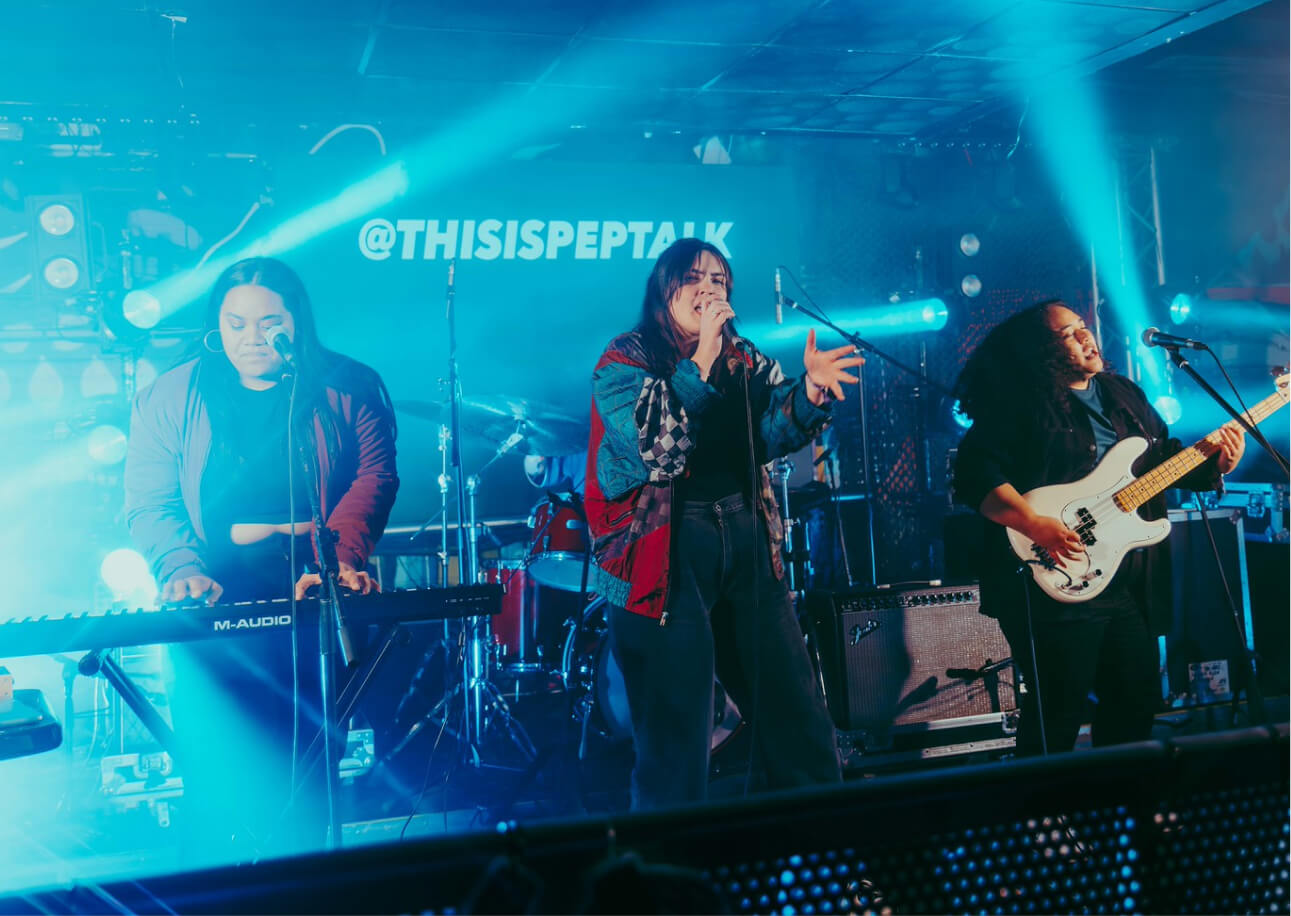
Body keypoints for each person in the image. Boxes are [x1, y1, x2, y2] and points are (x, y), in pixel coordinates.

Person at [124, 256, 399, 860]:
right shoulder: (168, 397)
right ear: (215, 327)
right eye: (236, 323)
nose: (254, 338)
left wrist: (345, 555)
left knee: (307, 779)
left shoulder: (349, 387)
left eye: (270, 322)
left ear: (297, 322)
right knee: (217, 777)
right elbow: (150, 502)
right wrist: (181, 567)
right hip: (213, 606)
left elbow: (374, 476)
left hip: (313, 600)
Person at [585, 238, 862, 809]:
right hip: (661, 555)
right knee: (676, 743)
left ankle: (827, 869)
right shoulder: (623, 361)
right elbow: (659, 449)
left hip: (744, 537)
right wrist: (703, 359)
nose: (710, 288)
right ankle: (668, 889)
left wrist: (807, 395)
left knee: (799, 719)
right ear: (665, 289)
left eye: (720, 278)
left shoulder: (746, 357)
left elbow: (772, 434)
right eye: (694, 277)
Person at [952, 300, 1245, 755]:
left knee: (1134, 701)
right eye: (1070, 333)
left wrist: (1216, 462)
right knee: (1058, 711)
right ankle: (1039, 819)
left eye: (1084, 327)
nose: (1087, 337)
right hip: (1053, 582)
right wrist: (1034, 523)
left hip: (1124, 579)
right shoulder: (1021, 403)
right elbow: (975, 474)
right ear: (1044, 350)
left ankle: (1120, 814)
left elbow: (1162, 462)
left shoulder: (1121, 394)